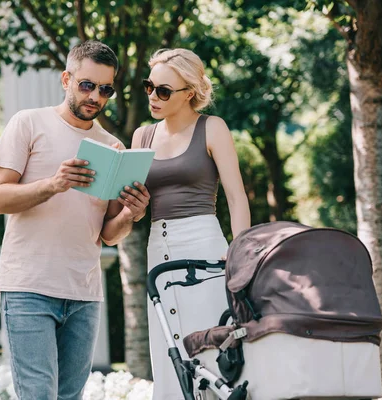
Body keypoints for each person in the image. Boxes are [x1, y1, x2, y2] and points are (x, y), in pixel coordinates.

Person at [0, 40, 150, 400]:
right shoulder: (28, 123)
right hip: (29, 288)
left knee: (70, 397)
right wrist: (53, 184)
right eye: (86, 85)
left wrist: (131, 214)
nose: (95, 96)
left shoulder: (113, 147)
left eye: (105, 89)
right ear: (66, 79)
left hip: (84, 293)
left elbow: (108, 234)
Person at [131, 48, 251, 399]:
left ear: (190, 93)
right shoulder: (142, 137)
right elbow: (136, 210)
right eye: (149, 86)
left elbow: (237, 198)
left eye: (164, 91)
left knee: (212, 345)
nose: (153, 96)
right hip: (158, 248)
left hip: (205, 249)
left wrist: (239, 262)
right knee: (168, 350)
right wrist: (130, 208)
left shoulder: (212, 128)